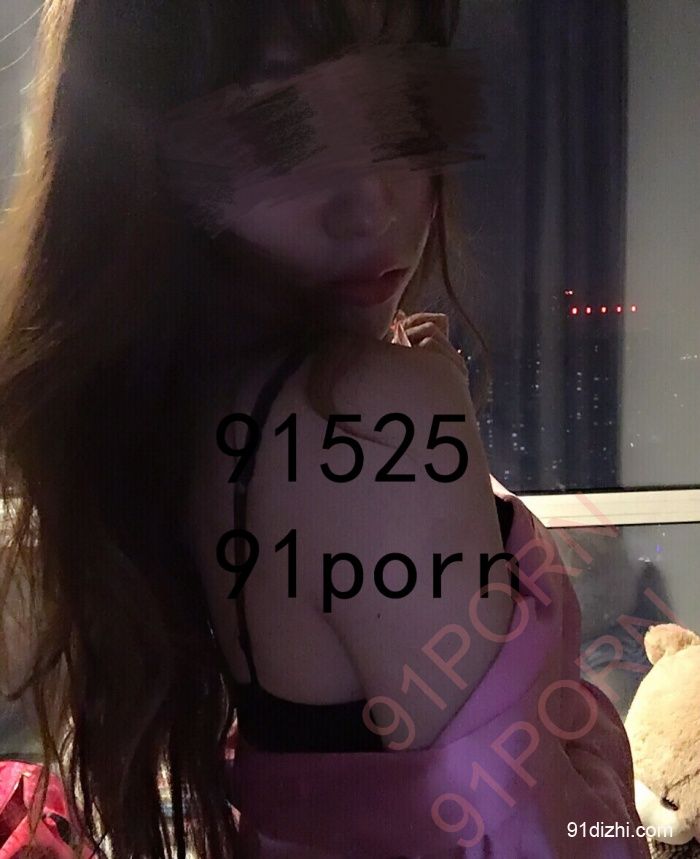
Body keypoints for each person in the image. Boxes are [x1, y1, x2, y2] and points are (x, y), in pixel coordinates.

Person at [0, 1, 648, 857]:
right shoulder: (369, 414)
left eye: (404, 102)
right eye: (284, 127)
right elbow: (535, 839)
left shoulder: (203, 413)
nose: (372, 203)